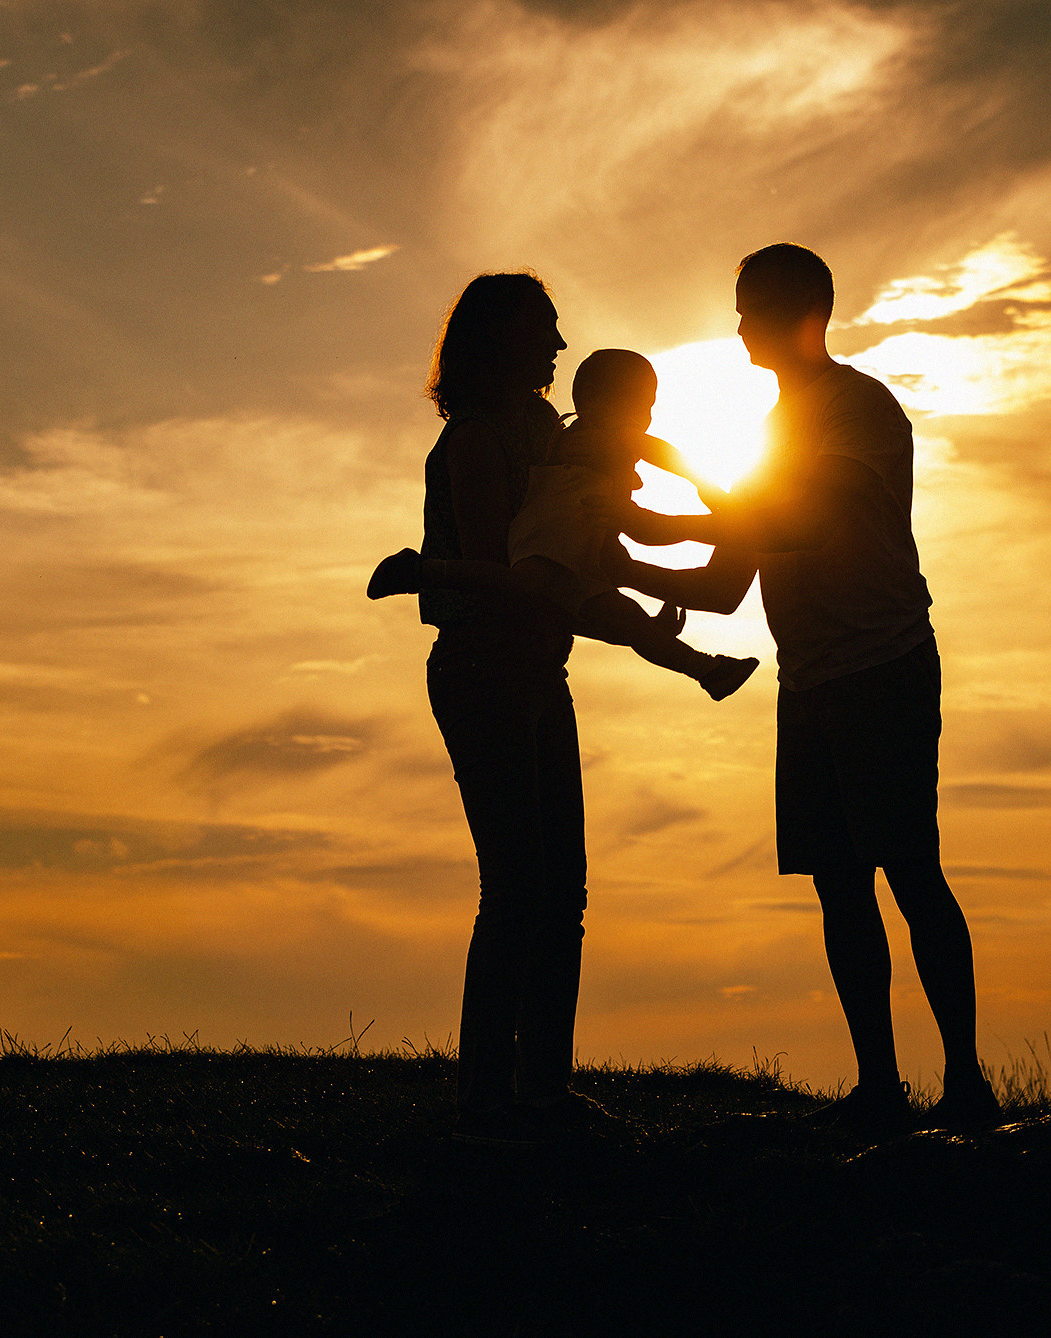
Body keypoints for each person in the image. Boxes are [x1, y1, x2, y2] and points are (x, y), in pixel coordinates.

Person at [593, 244, 1002, 1135]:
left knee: (910, 870)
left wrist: (662, 494)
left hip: (882, 664)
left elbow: (803, 522)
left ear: (801, 311)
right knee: (838, 883)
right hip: (810, 678)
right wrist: (621, 555)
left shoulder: (859, 408)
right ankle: (881, 1087)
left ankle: (966, 1080)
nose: (739, 323)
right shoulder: (771, 433)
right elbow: (726, 582)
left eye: (752, 307)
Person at [397, 271, 604, 1145]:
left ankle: (542, 1091)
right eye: (544, 328)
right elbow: (502, 577)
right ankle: (488, 1099)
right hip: (487, 675)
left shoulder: (537, 432)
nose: (558, 345)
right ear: (501, 340)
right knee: (520, 888)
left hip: (537, 671)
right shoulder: (479, 443)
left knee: (562, 892)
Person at [368, 348, 758, 701]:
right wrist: (708, 487)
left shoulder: (574, 436)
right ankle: (423, 570)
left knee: (621, 619)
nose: (647, 416)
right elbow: (661, 453)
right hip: (555, 537)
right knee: (522, 586)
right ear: (600, 402)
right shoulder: (598, 437)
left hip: (577, 546)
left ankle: (708, 670)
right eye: (641, 403)